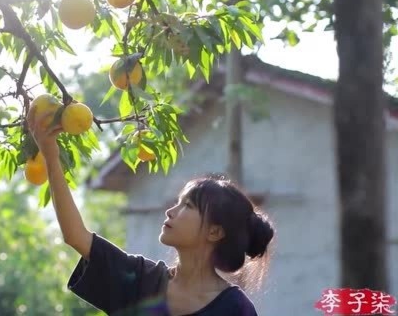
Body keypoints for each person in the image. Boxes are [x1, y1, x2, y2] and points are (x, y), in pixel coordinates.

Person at [27, 106, 275, 316]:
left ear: (215, 231)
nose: (170, 211)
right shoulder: (142, 279)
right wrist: (51, 156)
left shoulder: (235, 309)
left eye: (187, 205)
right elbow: (75, 236)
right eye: (177, 202)